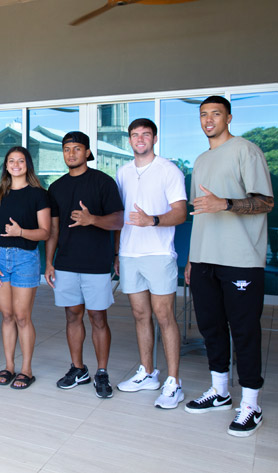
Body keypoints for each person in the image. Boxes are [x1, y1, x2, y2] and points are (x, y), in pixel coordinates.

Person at [184, 95, 273, 437]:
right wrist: (192, 257)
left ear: (229, 117)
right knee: (211, 328)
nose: (208, 120)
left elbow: (265, 201)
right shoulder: (201, 159)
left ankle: (251, 403)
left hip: (239, 258)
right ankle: (220, 391)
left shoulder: (246, 150)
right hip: (205, 258)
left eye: (215, 114)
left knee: (244, 330)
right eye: (204, 115)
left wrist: (226, 203)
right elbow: (199, 215)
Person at [113, 118, 187, 409]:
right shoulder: (123, 171)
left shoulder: (168, 170)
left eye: (145, 134)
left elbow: (180, 213)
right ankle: (148, 373)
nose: (140, 139)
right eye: (135, 135)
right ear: (129, 140)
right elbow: (119, 217)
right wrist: (118, 251)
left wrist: (152, 220)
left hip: (158, 253)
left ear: (154, 138)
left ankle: (174, 381)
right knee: (140, 314)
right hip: (130, 254)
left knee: (164, 315)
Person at [44, 131, 124, 398]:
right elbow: (53, 230)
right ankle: (78, 368)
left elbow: (118, 222)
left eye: (77, 149)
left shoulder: (103, 182)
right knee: (72, 315)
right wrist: (49, 262)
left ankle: (102, 372)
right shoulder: (56, 187)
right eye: (67, 149)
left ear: (88, 152)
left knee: (98, 317)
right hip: (66, 262)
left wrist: (92, 220)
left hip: (96, 263)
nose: (71, 153)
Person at [0, 146, 50, 390]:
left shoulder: (38, 195)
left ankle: (26, 369)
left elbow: (45, 232)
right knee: (8, 315)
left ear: (27, 165)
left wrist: (20, 232)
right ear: (6, 165)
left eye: (20, 161)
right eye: (11, 161)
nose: (15, 164)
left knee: (22, 317)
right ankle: (9, 365)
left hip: (25, 257)